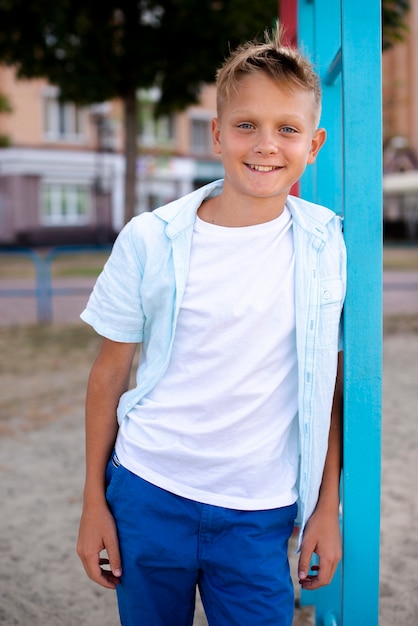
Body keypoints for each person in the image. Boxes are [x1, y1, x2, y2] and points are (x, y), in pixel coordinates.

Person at [77, 22, 346, 626]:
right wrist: (93, 500)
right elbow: (109, 372)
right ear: (218, 134)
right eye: (246, 125)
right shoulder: (151, 239)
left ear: (315, 144)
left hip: (261, 511)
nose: (265, 145)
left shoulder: (326, 246)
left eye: (287, 129)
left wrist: (326, 507)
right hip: (148, 491)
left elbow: (327, 383)